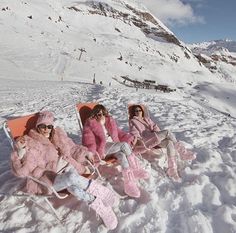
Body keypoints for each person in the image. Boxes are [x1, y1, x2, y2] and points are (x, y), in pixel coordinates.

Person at [11, 111, 118, 230]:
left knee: (74, 188)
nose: (46, 129)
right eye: (42, 126)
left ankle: (99, 206)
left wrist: (86, 153)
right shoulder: (30, 143)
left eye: (49, 126)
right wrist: (20, 153)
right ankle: (101, 191)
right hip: (51, 178)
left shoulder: (58, 135)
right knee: (71, 176)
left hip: (69, 168)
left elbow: (72, 148)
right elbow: (22, 172)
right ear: (37, 127)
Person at [82, 104, 149, 198]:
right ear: (93, 114)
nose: (99, 115)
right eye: (97, 114)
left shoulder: (109, 121)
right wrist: (90, 152)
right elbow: (88, 140)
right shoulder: (90, 123)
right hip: (102, 149)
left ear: (105, 113)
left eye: (101, 113)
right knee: (124, 145)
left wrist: (130, 137)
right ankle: (136, 169)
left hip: (114, 146)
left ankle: (129, 185)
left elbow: (119, 133)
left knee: (121, 155)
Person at [129, 105, 196, 182]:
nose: (138, 112)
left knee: (169, 143)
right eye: (136, 111)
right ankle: (183, 153)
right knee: (167, 132)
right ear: (134, 113)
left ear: (142, 111)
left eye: (139, 110)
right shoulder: (133, 121)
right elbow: (134, 132)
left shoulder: (147, 119)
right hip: (145, 140)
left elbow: (155, 127)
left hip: (154, 138)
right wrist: (138, 141)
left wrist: (157, 133)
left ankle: (172, 169)